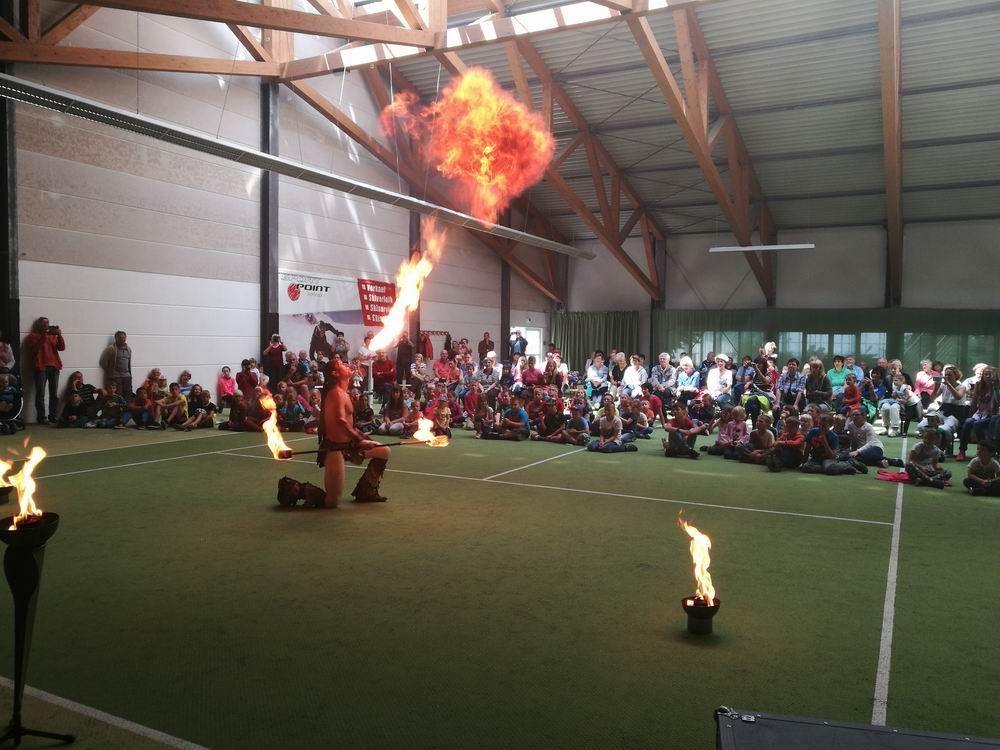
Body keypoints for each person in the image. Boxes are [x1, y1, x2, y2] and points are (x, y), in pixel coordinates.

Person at [318, 358, 392, 506]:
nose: (346, 365)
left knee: (383, 451)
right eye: (341, 365)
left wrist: (361, 437)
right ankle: (296, 490)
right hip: (335, 448)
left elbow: (349, 422)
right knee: (332, 501)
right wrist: (361, 439)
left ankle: (366, 491)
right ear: (335, 373)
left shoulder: (345, 392)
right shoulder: (336, 393)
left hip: (350, 445)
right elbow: (340, 420)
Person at [24, 317, 65, 424]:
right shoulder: (32, 336)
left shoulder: (52, 336)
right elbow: (34, 349)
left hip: (54, 367)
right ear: (38, 325)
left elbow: (62, 348)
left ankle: (53, 415)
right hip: (40, 367)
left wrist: (59, 335)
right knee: (40, 394)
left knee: (53, 394)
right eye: (43, 324)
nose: (46, 326)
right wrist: (43, 335)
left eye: (47, 324)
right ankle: (41, 417)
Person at [99, 330, 133, 397]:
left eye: (124, 337)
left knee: (128, 394)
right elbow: (102, 362)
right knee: (117, 395)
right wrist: (110, 371)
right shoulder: (111, 349)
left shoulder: (128, 349)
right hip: (115, 376)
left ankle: (127, 407)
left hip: (127, 376)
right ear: (116, 338)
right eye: (120, 337)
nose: (122, 339)